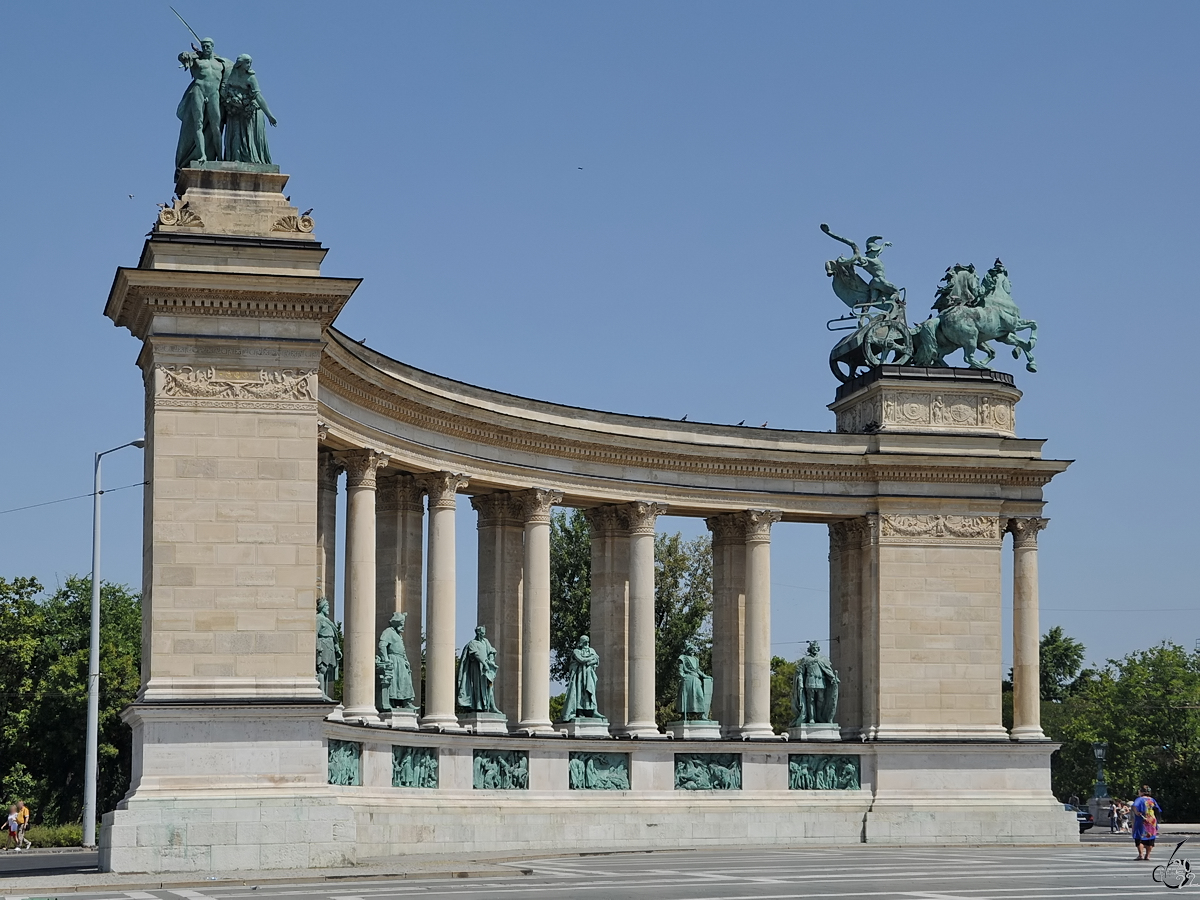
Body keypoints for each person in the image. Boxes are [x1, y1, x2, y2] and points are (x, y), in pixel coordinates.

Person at [175, 38, 232, 171]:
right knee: (198, 124)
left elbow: (233, 68)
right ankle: (202, 155)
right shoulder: (197, 60)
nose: (206, 48)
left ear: (212, 46)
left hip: (214, 94)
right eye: (204, 46)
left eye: (208, 46)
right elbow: (182, 58)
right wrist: (188, 54)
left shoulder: (221, 63)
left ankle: (219, 157)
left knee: (216, 127)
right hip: (198, 91)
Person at [221, 54, 278, 164]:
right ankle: (235, 157)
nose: (249, 65)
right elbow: (223, 89)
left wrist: (269, 115)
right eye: (247, 62)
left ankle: (251, 158)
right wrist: (231, 99)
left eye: (250, 63)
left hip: (249, 110)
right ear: (240, 63)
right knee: (235, 134)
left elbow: (259, 97)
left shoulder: (251, 78)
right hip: (233, 109)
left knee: (248, 135)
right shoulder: (229, 73)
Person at [376, 611, 417, 711]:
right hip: (393, 660)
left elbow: (401, 650)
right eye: (402, 624)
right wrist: (385, 658)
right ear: (396, 623)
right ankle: (391, 702)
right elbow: (382, 645)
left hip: (401, 661)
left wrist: (406, 660)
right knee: (394, 683)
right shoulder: (388, 632)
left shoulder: (398, 634)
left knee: (405, 681)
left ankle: (406, 702)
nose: (403, 626)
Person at [457, 626, 501, 713]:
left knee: (490, 687)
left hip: (486, 669)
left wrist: (491, 660)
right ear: (477, 633)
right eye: (481, 633)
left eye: (483, 633)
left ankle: (492, 706)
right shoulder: (472, 643)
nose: (482, 635)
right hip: (477, 668)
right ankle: (478, 706)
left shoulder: (485, 642)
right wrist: (484, 663)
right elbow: (476, 654)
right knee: (477, 687)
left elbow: (491, 651)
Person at [561, 635, 602, 720]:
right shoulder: (576, 651)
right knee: (579, 693)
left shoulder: (591, 650)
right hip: (579, 676)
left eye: (587, 641)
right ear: (581, 642)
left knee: (590, 692)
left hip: (589, 675)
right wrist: (591, 658)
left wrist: (591, 660)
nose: (586, 643)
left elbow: (596, 660)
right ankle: (579, 711)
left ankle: (593, 710)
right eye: (585, 642)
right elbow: (581, 659)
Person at [1131, 785, 1161, 860]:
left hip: (1142, 820)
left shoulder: (1139, 799)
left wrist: (1136, 812)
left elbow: (1134, 806)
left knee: (1139, 837)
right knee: (1150, 837)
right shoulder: (1152, 800)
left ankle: (1141, 854)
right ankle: (1148, 855)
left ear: (1141, 792)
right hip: (1152, 820)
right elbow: (1157, 809)